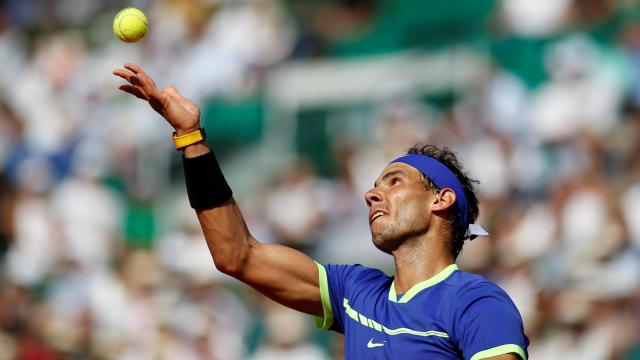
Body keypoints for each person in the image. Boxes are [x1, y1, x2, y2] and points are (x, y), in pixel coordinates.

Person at [113, 63, 529, 359]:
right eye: (374, 184)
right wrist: (190, 138)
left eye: (394, 181)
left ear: (441, 199)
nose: (372, 194)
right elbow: (236, 254)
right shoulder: (356, 290)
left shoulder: (477, 302)